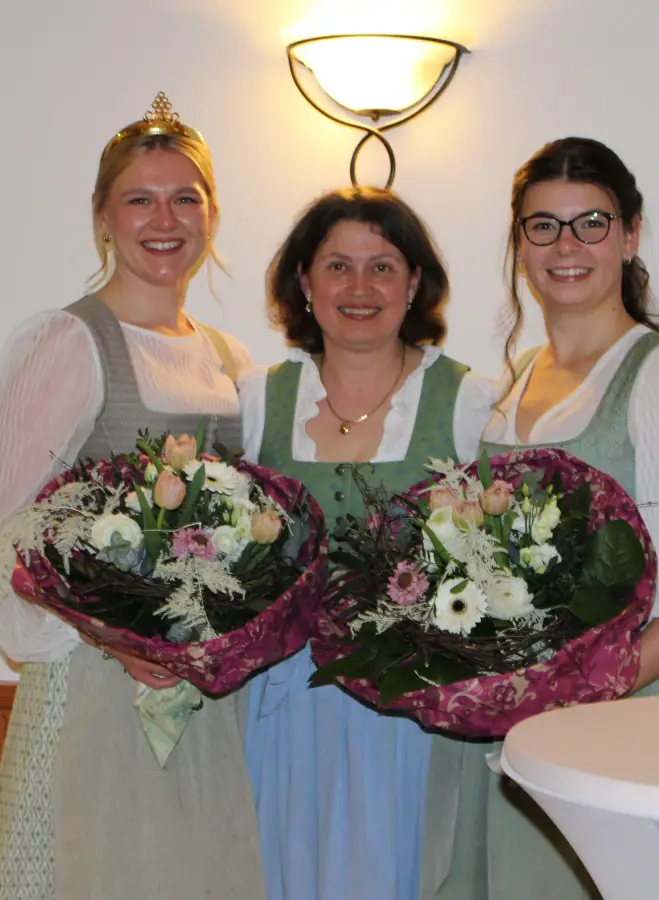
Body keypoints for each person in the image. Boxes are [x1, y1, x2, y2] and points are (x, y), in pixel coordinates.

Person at [425, 137, 659, 898]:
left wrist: (572, 697)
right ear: (518, 243)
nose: (565, 246)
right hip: (522, 728)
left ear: (631, 234)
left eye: (591, 223)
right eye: (543, 226)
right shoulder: (509, 387)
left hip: (628, 724)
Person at [0, 94, 264, 900]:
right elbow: (3, 534)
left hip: (203, 690)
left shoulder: (226, 356)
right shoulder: (70, 343)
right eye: (139, 198)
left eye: (184, 197)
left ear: (211, 215)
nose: (163, 219)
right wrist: (113, 636)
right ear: (101, 216)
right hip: (96, 685)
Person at [238, 186, 502, 900]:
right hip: (284, 705)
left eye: (382, 267)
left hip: (411, 712)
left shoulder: (473, 400)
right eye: (337, 267)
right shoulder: (254, 399)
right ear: (303, 280)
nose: (360, 288)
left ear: (415, 283)